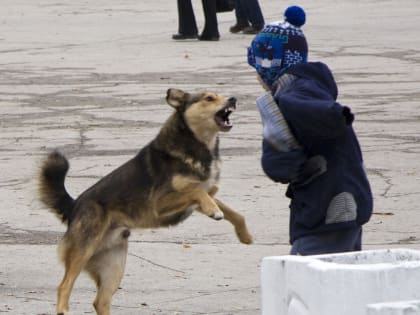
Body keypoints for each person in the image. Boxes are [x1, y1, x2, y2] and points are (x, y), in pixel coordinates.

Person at [247, 6, 373, 255]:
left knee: (305, 283)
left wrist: (332, 116)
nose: (256, 77)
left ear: (268, 66)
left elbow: (280, 165)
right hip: (343, 201)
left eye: (256, 69)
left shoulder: (291, 100)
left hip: (327, 210)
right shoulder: (309, 86)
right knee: (345, 282)